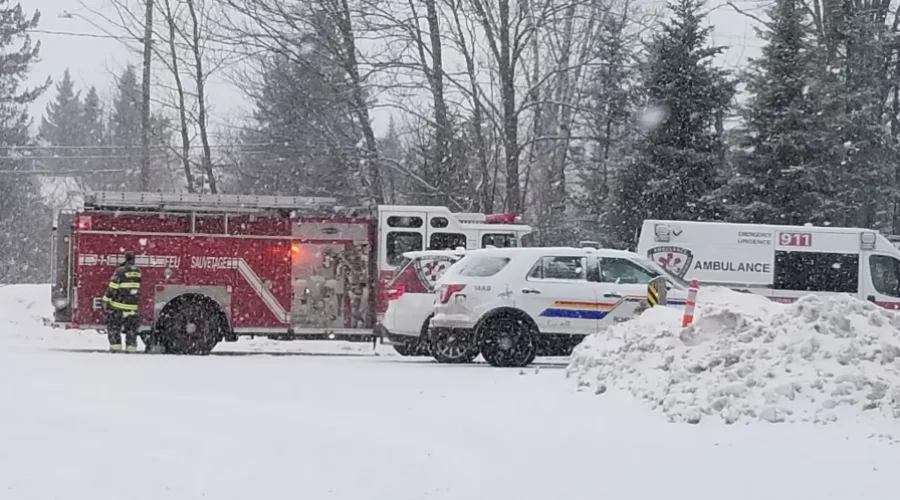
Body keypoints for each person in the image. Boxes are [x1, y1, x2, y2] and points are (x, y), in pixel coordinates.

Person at [102, 252, 142, 352]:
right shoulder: (138, 271)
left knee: (114, 328)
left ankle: (116, 348)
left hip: (118, 306)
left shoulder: (120, 271)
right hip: (132, 307)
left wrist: (105, 300)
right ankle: (131, 349)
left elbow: (113, 288)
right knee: (131, 329)